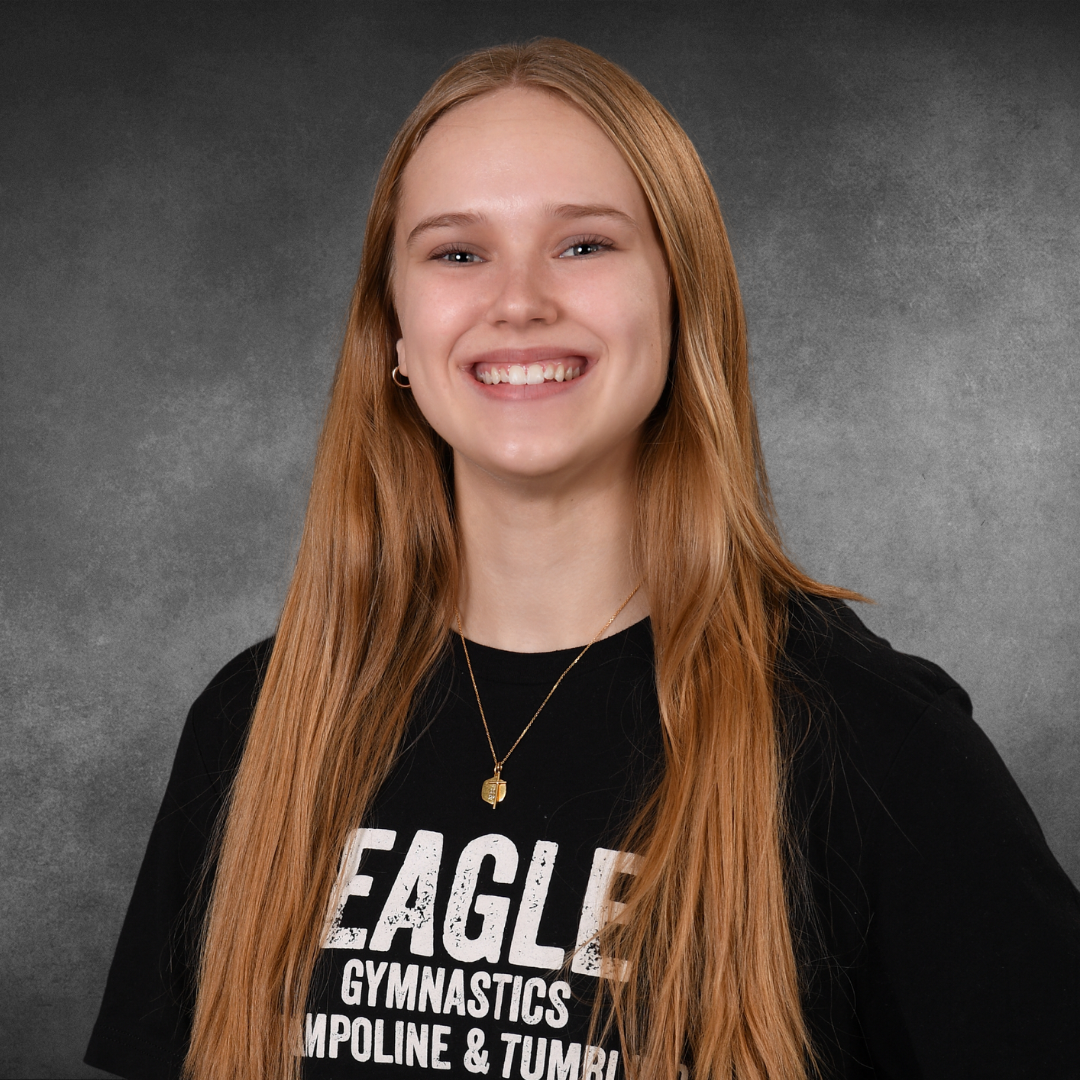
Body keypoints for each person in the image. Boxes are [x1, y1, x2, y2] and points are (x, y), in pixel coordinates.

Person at [85, 38, 1079, 1080]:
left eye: (584, 246)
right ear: (393, 334)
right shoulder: (256, 725)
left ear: (680, 296)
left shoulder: (875, 744)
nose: (518, 301)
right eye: (457, 253)